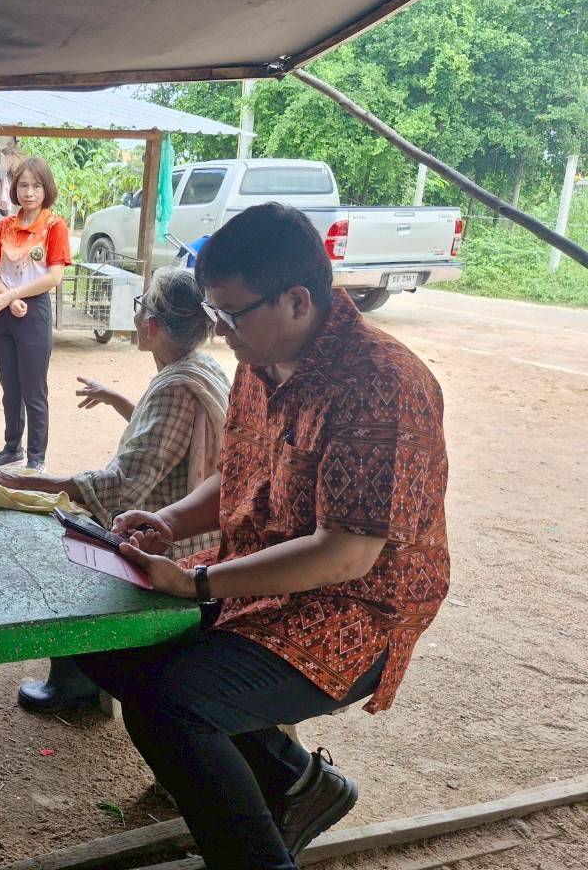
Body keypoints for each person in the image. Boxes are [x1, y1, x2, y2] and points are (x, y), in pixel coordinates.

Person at [80, 202, 450, 870]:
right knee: (103, 641)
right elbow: (240, 476)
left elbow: (346, 554)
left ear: (297, 301)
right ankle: (297, 783)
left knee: (173, 707)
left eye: (230, 315)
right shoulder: (263, 355)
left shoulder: (381, 384)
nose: (219, 333)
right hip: (263, 578)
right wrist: (171, 523)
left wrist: (198, 581)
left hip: (357, 608)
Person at [0, 268, 230, 710]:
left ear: (153, 325)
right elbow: (165, 443)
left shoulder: (177, 387)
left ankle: (78, 681)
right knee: (71, 523)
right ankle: (86, 673)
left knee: (64, 547)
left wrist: (21, 478)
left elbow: (122, 488)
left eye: (142, 304)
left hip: (169, 543)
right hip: (192, 529)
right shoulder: (201, 367)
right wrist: (118, 398)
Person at [0, 157, 72, 472]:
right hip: (3, 311)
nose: (29, 192)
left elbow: (54, 277)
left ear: (47, 189)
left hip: (34, 311)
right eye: (23, 185)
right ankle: (12, 447)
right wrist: (6, 298)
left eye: (36, 185)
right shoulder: (3, 226)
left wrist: (12, 295)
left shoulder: (54, 226)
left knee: (34, 389)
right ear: (14, 189)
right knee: (10, 388)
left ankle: (36, 457)